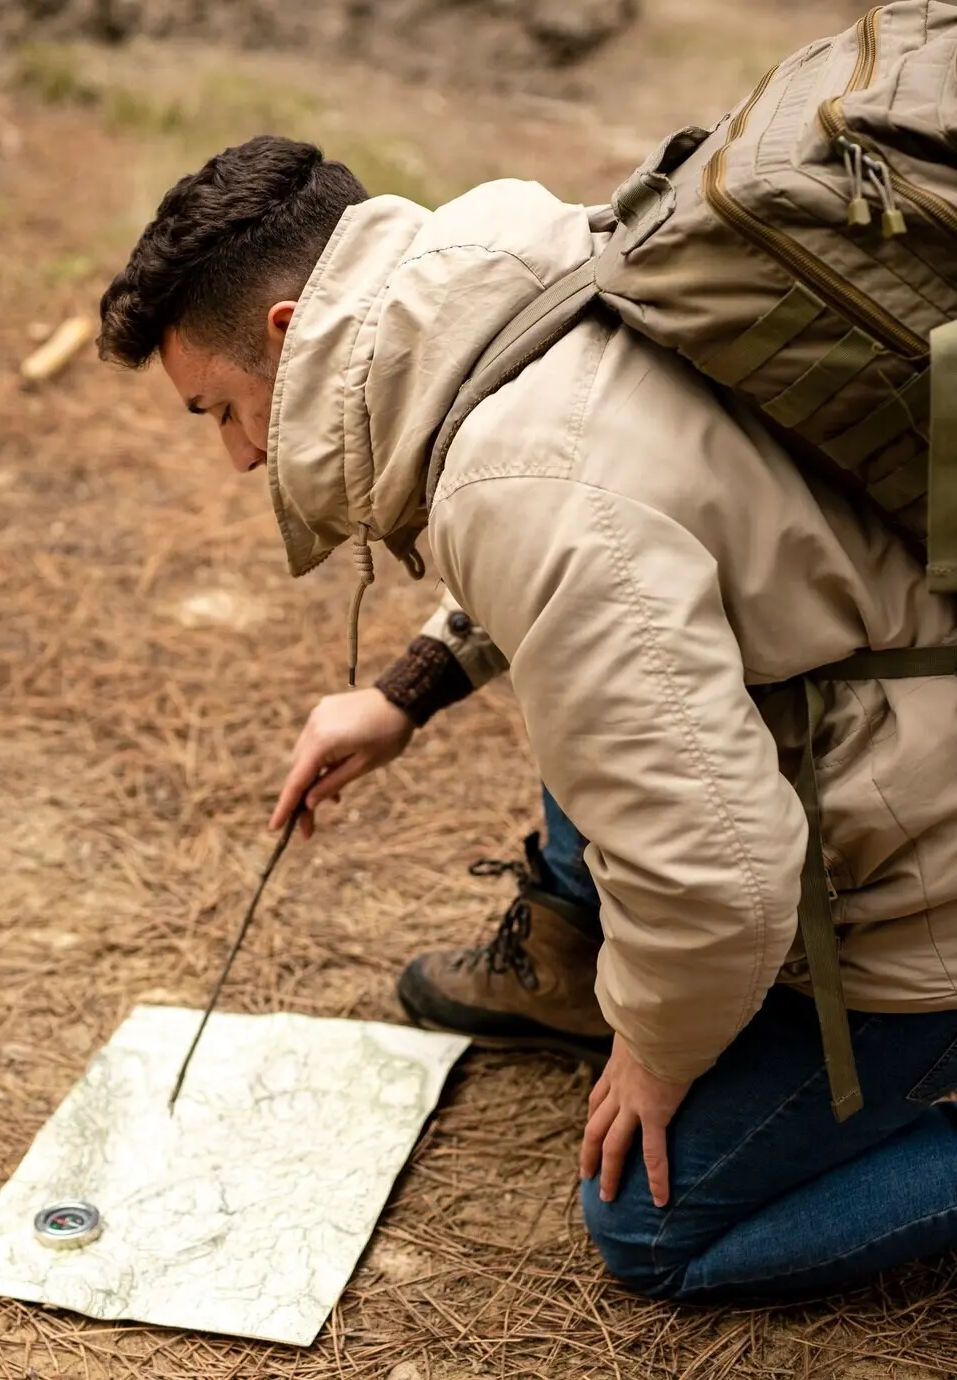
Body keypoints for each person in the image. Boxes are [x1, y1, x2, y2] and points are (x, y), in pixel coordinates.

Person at [96, 134, 957, 1301]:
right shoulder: (519, 273)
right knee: (601, 693)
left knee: (649, 1229)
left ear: (292, 333)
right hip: (890, 678)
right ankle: (569, 947)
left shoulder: (518, 483)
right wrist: (404, 693)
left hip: (926, 849)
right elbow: (607, 546)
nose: (240, 456)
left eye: (223, 410)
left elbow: (720, 875)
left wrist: (656, 1047)